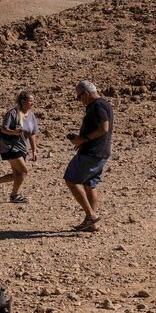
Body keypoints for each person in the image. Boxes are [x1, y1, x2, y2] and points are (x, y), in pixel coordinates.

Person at [64, 81, 113, 232]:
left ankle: (91, 215)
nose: (80, 101)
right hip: (100, 152)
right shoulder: (103, 104)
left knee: (71, 180)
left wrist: (83, 140)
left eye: (79, 97)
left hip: (91, 152)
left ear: (86, 93)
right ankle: (92, 224)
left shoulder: (97, 106)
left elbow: (104, 128)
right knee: (90, 184)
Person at [0, 91, 40, 204]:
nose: (33, 103)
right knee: (24, 171)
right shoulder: (12, 113)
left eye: (33, 101)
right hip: (10, 147)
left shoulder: (31, 115)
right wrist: (14, 132)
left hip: (22, 148)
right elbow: (3, 129)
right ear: (22, 101)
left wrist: (34, 150)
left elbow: (32, 134)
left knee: (17, 175)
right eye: (30, 101)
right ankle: (14, 195)